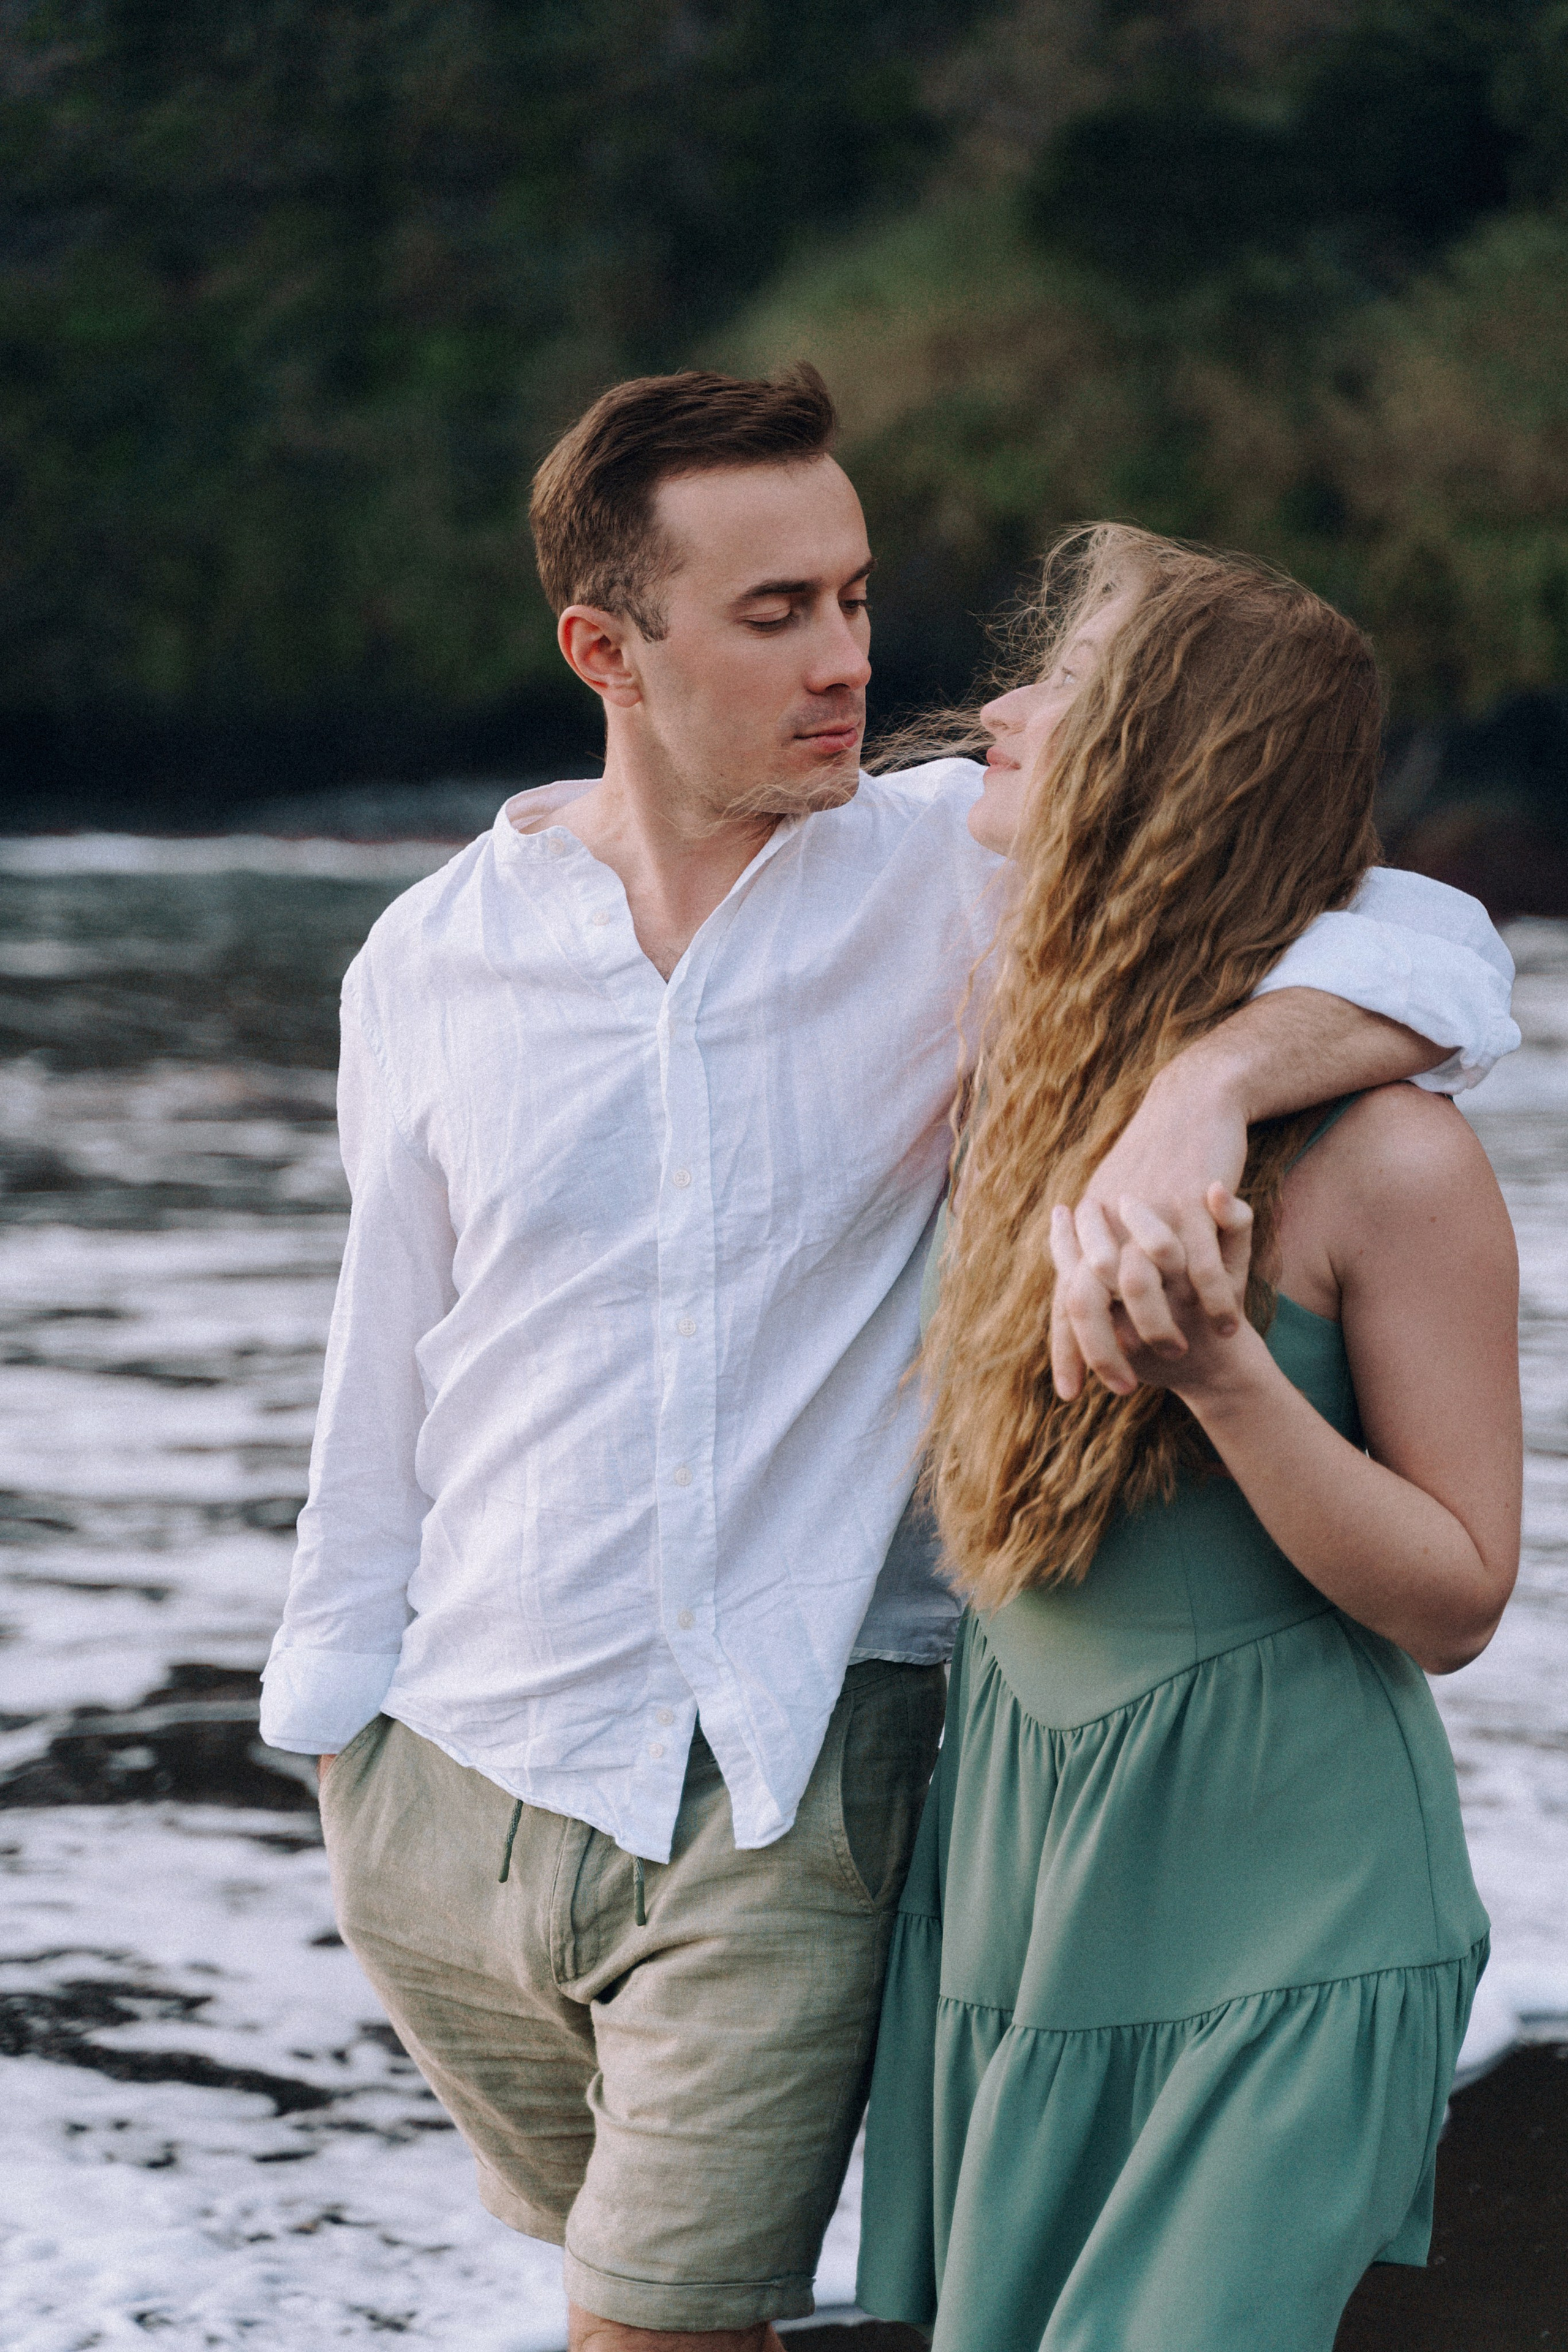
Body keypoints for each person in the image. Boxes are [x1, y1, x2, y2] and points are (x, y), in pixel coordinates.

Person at [258, 369, 1519, 2352]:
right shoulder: (429, 954)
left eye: (856, 598)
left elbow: (1437, 945)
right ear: (608, 647)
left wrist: (1205, 1084)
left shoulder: (957, 870)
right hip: (461, 1770)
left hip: (790, 1776)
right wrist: (336, 1719)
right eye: (777, 615)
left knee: (658, 2327)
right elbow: (390, 1340)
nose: (853, 662)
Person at [856, 525, 1522, 2352]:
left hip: (1288, 1912)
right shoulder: (1023, 1055)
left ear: (1172, 758)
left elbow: (1459, 1601)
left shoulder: (1390, 1158)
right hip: (1017, 1888)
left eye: (1061, 684)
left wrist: (1226, 1372)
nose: (1000, 702)